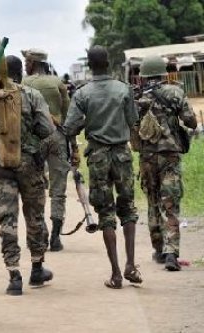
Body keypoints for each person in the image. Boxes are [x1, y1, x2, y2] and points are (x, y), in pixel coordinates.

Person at [63, 46, 142, 289]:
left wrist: (90, 121)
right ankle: (131, 265)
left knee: (106, 212)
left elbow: (69, 128)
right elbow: (134, 122)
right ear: (108, 62)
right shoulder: (123, 89)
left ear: (89, 64)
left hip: (97, 157)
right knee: (127, 208)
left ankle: (116, 274)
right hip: (122, 155)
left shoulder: (82, 94)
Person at [0, 55, 55, 296]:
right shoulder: (31, 95)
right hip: (29, 164)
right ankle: (37, 268)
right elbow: (47, 129)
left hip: (1, 164)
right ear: (20, 73)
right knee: (34, 216)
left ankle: (13, 275)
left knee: (8, 219)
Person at [136, 55, 197, 271]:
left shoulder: (137, 97)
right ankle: (172, 253)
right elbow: (191, 121)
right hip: (170, 155)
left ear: (143, 76)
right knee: (170, 204)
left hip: (147, 157)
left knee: (153, 201)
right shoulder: (175, 92)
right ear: (163, 73)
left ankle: (158, 249)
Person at [22, 49, 77, 251]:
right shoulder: (58, 84)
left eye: (26, 61)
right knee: (58, 189)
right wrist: (75, 148)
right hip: (58, 138)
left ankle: (41, 229)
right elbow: (69, 118)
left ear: (32, 63)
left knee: (34, 188)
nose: (24, 65)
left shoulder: (24, 84)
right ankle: (55, 236)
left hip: (34, 139)